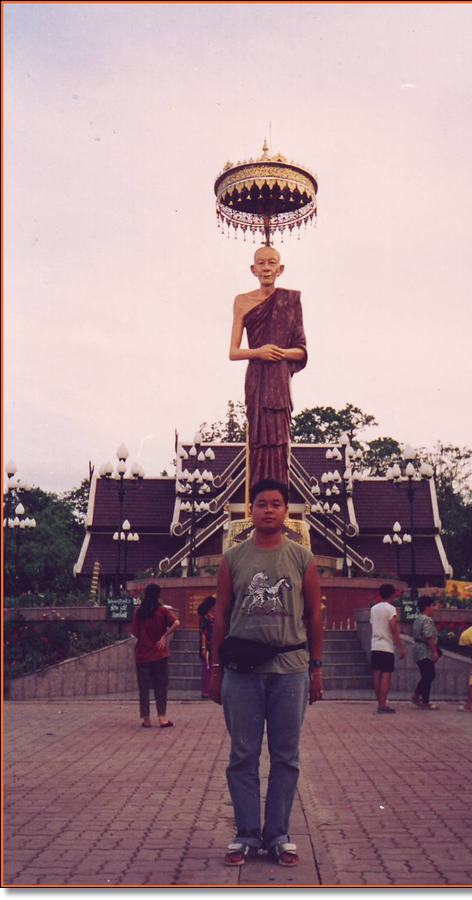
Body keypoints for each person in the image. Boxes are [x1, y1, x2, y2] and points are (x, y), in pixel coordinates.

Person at [210, 478, 323, 868]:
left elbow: (314, 615)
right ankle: (245, 834)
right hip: (242, 671)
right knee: (242, 754)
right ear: (251, 510)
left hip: (290, 670)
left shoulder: (302, 558)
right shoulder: (233, 559)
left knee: (285, 756)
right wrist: (215, 669)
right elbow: (220, 616)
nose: (269, 510)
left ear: (287, 511)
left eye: (276, 503)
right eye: (261, 503)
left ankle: (277, 834)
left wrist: (316, 668)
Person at [229, 246, 307, 486]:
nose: (266, 268)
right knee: (258, 437)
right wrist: (259, 352)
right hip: (257, 377)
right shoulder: (242, 301)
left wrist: (279, 352)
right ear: (253, 269)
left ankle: (280, 495)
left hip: (279, 379)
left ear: (280, 269)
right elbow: (233, 352)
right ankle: (258, 496)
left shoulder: (291, 300)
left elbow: (301, 350)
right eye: (261, 263)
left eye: (271, 263)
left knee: (280, 436)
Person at [130, 583, 180, 728]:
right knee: (161, 686)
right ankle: (162, 718)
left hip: (142, 654)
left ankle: (146, 719)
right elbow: (177, 623)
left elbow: (134, 633)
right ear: (158, 595)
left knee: (144, 688)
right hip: (159, 653)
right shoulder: (162, 610)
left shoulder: (140, 611)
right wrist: (164, 636)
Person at [370, 584, 405, 714]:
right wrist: (400, 647)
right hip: (386, 646)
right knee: (386, 674)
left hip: (375, 645)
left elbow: (372, 624)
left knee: (376, 674)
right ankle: (382, 704)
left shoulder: (373, 609)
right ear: (392, 595)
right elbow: (393, 628)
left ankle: (379, 702)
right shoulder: (391, 609)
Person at [411, 597, 440, 710]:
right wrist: (434, 651)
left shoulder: (418, 619)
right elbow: (429, 636)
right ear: (427, 607)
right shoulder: (427, 620)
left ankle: (420, 697)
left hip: (418, 650)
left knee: (427, 675)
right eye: (432, 606)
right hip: (425, 650)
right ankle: (422, 699)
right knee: (429, 674)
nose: (434, 609)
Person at [197, 596, 216, 699]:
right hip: (207, 646)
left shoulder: (210, 616)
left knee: (211, 668)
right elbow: (203, 633)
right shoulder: (204, 618)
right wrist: (204, 648)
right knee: (206, 669)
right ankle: (206, 692)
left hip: (212, 645)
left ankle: (210, 691)